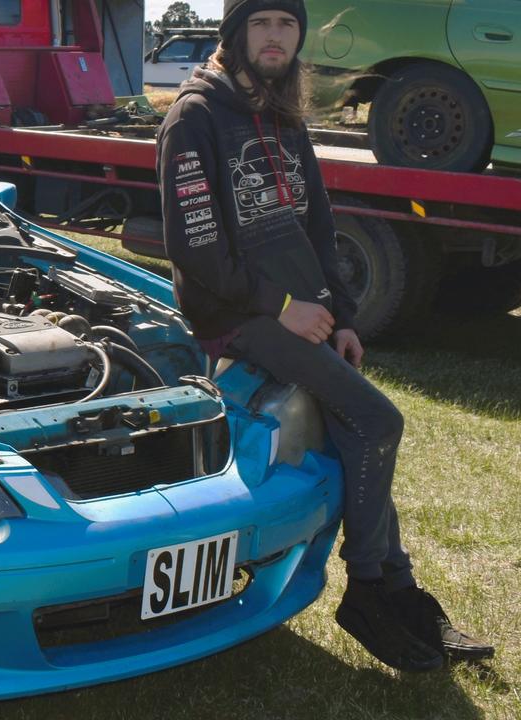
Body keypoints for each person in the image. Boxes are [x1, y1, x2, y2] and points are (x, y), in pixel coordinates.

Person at [157, 0, 493, 673]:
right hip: (240, 318)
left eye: (287, 24)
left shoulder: (282, 112)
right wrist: (279, 309)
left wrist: (336, 316)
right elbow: (194, 249)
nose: (277, 37)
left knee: (356, 427)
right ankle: (371, 585)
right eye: (262, 23)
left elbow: (317, 224)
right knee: (376, 420)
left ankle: (397, 588)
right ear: (234, 33)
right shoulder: (195, 116)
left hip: (297, 311)